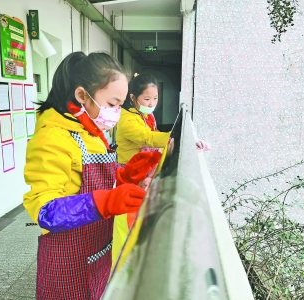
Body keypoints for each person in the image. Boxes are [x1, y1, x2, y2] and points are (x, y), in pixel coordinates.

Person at [23, 52, 160, 300]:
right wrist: (104, 202)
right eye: (112, 104)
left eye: (119, 106)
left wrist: (125, 176)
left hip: (96, 251)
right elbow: (44, 211)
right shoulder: (52, 137)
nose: (117, 113)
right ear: (82, 96)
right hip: (67, 259)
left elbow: (88, 179)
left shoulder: (92, 133)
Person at [112, 73, 210, 266]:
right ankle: (123, 272)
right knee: (127, 227)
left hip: (142, 177)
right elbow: (147, 138)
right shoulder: (127, 120)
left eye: (155, 98)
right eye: (146, 99)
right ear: (133, 98)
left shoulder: (145, 116)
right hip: (131, 179)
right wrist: (173, 138)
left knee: (137, 226)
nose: (152, 103)